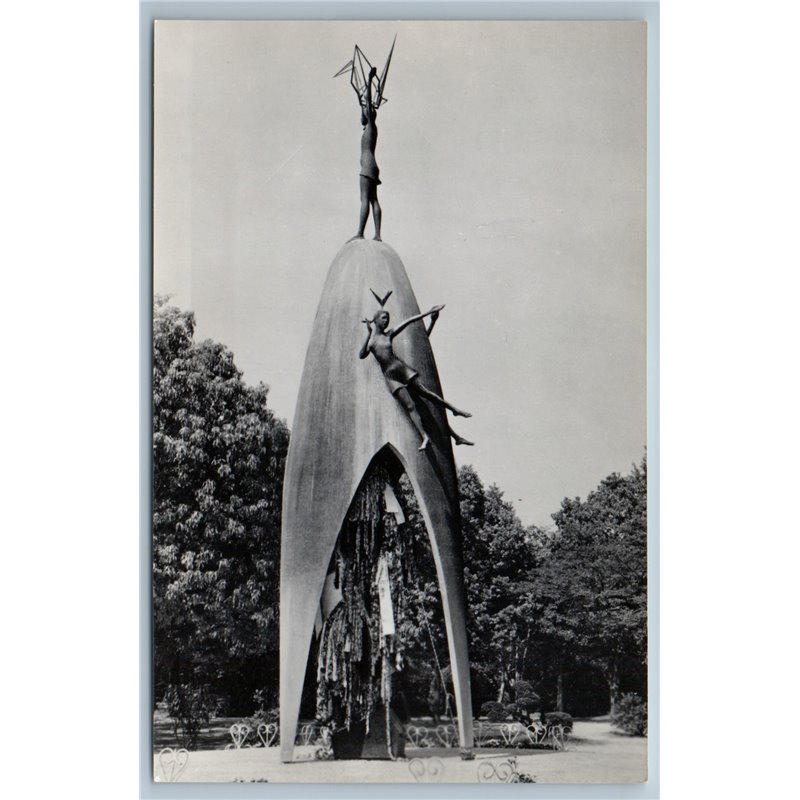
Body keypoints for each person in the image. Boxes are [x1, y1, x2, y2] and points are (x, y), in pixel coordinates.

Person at [360, 305, 471, 451]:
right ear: (375, 320)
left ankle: (454, 409)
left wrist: (428, 312)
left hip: (401, 369)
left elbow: (409, 321)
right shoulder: (372, 342)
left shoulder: (389, 335)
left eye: (388, 318)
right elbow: (361, 355)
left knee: (426, 393)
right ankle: (425, 437)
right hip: (390, 375)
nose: (387, 321)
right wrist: (368, 333)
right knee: (410, 406)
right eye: (384, 318)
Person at [351, 66, 382, 241]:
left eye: (364, 111)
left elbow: (368, 102)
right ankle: (377, 234)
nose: (361, 114)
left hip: (368, 168)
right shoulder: (371, 129)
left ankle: (360, 233)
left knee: (364, 199)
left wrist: (369, 80)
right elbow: (364, 104)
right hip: (373, 167)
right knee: (373, 200)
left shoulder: (371, 125)